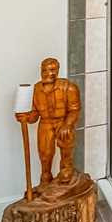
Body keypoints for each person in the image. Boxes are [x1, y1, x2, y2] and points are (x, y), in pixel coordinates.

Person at [25, 57, 82, 191]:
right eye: (44, 70)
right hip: (45, 123)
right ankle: (45, 176)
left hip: (62, 121)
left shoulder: (68, 87)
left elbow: (74, 110)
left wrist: (67, 125)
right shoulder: (36, 89)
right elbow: (34, 115)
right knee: (45, 152)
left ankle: (66, 168)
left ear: (57, 71)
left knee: (66, 139)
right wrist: (25, 117)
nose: (47, 73)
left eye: (51, 70)